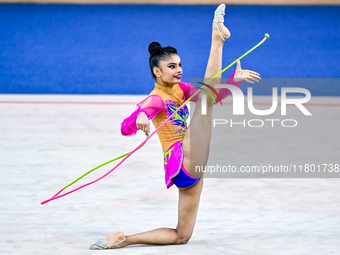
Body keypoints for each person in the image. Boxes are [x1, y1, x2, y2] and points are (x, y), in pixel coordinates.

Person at [90, 3, 261, 250]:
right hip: (183, 158)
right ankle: (217, 39)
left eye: (179, 65)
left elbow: (212, 96)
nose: (179, 70)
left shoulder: (181, 89)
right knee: (204, 104)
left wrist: (235, 80)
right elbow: (125, 128)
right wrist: (139, 116)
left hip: (189, 172)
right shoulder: (156, 98)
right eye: (172, 67)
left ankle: (125, 239)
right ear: (157, 71)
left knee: (182, 235)